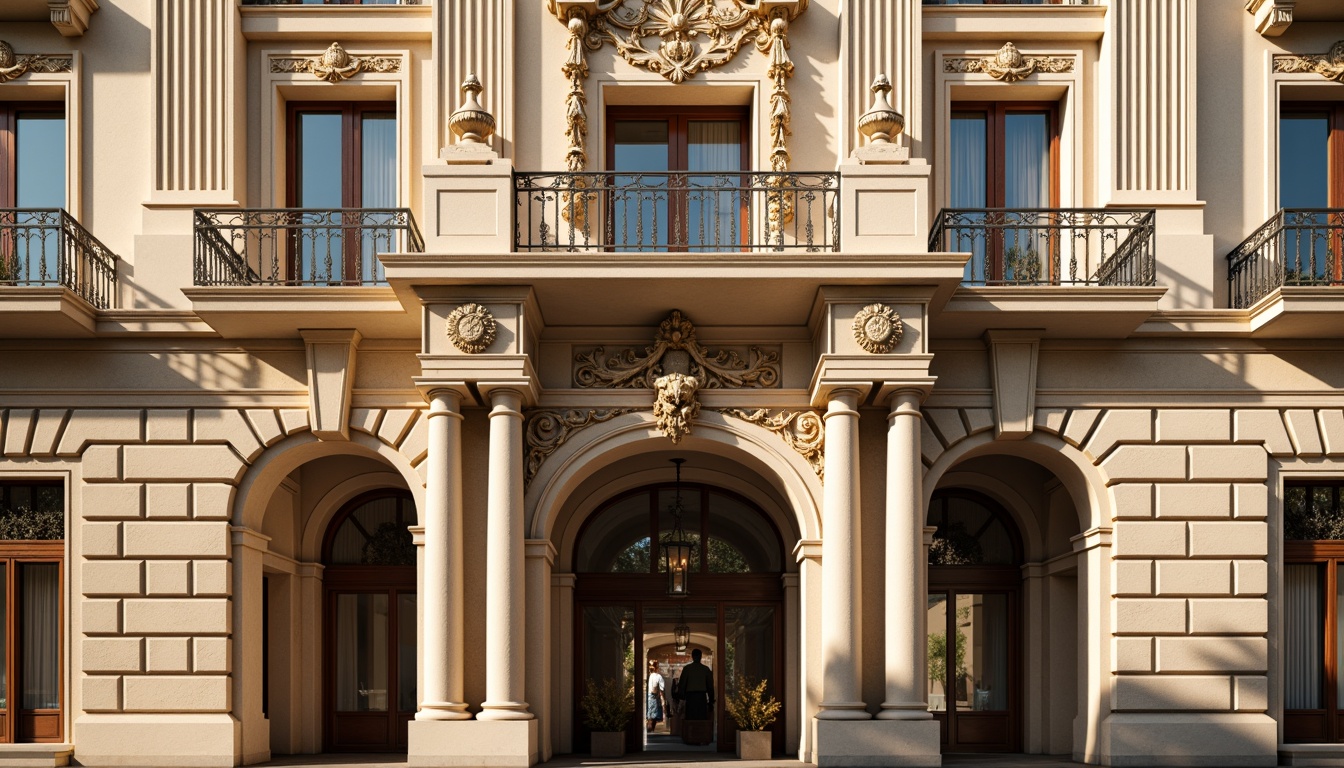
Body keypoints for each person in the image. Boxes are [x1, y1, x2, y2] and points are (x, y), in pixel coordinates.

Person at [678, 648, 714, 722]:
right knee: (701, 719)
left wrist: (681, 697)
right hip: (701, 697)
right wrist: (711, 700)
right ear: (700, 656)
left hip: (690, 697)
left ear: (692, 656)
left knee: (691, 719)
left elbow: (682, 684)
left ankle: (691, 733)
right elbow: (710, 686)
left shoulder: (687, 669)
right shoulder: (705, 669)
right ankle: (700, 733)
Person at [646, 660, 666, 732]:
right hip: (654, 697)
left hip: (647, 696)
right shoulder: (658, 676)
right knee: (653, 715)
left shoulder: (647, 676)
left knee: (649, 715)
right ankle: (651, 730)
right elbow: (662, 689)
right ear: (657, 668)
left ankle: (648, 730)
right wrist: (663, 699)